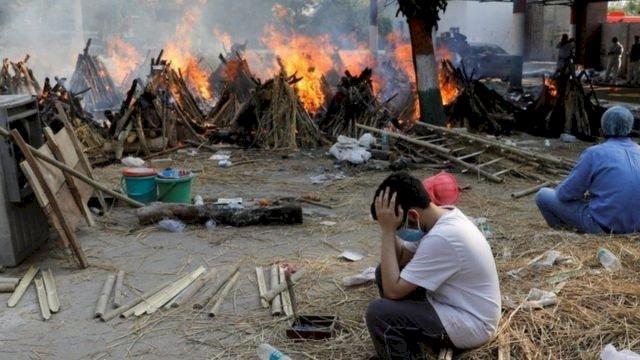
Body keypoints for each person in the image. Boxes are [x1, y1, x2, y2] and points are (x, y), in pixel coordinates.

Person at [365, 172, 501, 359]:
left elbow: (393, 291)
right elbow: (402, 258)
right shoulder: (441, 217)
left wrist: (388, 231)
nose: (398, 232)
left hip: (473, 323)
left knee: (379, 314)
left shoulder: (443, 237)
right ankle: (406, 344)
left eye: (399, 226)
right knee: (384, 271)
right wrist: (389, 227)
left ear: (413, 215)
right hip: (454, 305)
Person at [535, 106, 640, 234]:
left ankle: (565, 235)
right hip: (635, 229)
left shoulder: (594, 153)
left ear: (602, 131)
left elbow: (565, 194)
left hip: (604, 227)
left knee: (543, 195)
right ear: (630, 127)